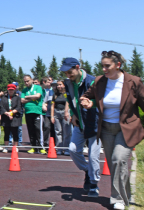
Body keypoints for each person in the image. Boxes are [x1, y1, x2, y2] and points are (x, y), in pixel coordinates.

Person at [80, 51, 144, 210]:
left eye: (107, 66)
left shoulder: (133, 81)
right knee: (115, 165)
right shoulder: (99, 81)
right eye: (102, 66)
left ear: (118, 65)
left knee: (119, 159)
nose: (104, 69)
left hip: (126, 129)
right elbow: (86, 96)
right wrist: (86, 102)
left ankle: (118, 198)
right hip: (106, 129)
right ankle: (126, 193)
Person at [62, 58, 101, 196]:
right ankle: (87, 170)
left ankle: (94, 184)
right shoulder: (68, 83)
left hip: (94, 123)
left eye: (69, 72)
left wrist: (91, 103)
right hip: (79, 124)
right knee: (73, 149)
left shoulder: (92, 81)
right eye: (65, 73)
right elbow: (70, 100)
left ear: (77, 67)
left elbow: (100, 100)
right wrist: (73, 114)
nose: (68, 75)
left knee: (93, 156)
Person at [21, 75, 45, 154]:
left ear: (31, 80)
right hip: (28, 112)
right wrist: (32, 98)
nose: (26, 83)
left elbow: (38, 96)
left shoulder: (38, 87)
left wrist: (27, 97)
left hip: (37, 111)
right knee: (30, 130)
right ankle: (33, 147)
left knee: (38, 129)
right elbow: (22, 100)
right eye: (25, 82)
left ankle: (41, 147)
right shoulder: (24, 90)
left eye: (28, 81)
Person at [0, 84, 23, 150]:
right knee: (6, 133)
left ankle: (15, 147)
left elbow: (19, 107)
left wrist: (12, 113)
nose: (11, 91)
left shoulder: (17, 98)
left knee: (15, 133)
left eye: (12, 90)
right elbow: (1, 107)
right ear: (7, 90)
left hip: (15, 118)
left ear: (14, 90)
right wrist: (6, 113)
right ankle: (6, 147)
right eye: (9, 90)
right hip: (6, 117)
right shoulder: (3, 98)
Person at [51, 81, 70, 156]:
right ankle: (59, 148)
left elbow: (68, 103)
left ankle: (66, 148)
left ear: (64, 85)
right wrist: (52, 116)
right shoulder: (55, 94)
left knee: (66, 131)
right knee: (58, 131)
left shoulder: (67, 93)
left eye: (60, 84)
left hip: (65, 112)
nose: (59, 86)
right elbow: (52, 105)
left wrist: (66, 112)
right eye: (58, 85)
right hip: (57, 112)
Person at [41, 77, 54, 150]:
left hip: (55, 113)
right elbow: (45, 101)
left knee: (54, 129)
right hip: (48, 113)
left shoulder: (55, 91)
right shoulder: (48, 92)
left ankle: (54, 145)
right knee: (46, 127)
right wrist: (44, 105)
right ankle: (45, 144)